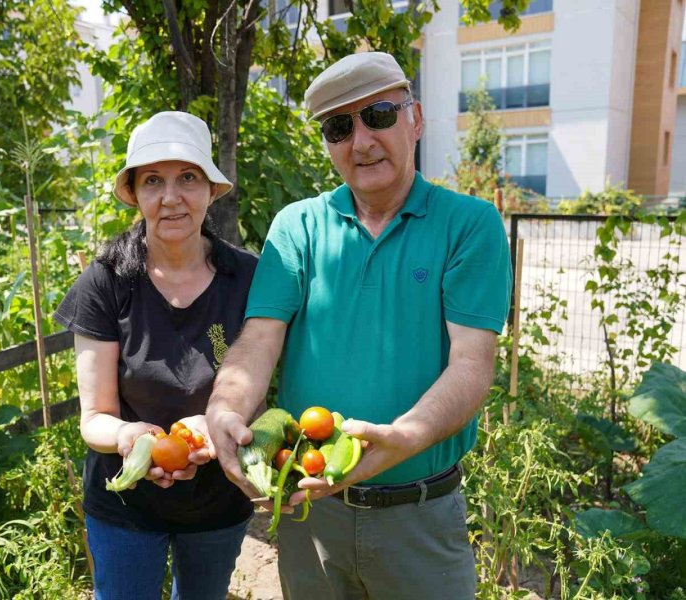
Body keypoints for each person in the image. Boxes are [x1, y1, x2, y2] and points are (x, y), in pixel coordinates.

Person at [206, 52, 512, 599]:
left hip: (420, 518)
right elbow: (259, 338)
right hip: (311, 511)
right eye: (339, 126)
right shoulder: (296, 225)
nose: (362, 141)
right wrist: (226, 407)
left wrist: (405, 436)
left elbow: (473, 364)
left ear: (415, 119)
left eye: (378, 114)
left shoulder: (469, 225)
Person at [53, 111, 257, 600]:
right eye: (153, 181)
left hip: (219, 500)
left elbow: (264, 388)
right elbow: (94, 417)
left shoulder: (250, 278)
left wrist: (221, 420)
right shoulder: (104, 283)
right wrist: (128, 435)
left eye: (188, 177)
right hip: (125, 504)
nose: (171, 197)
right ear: (135, 194)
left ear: (211, 188)